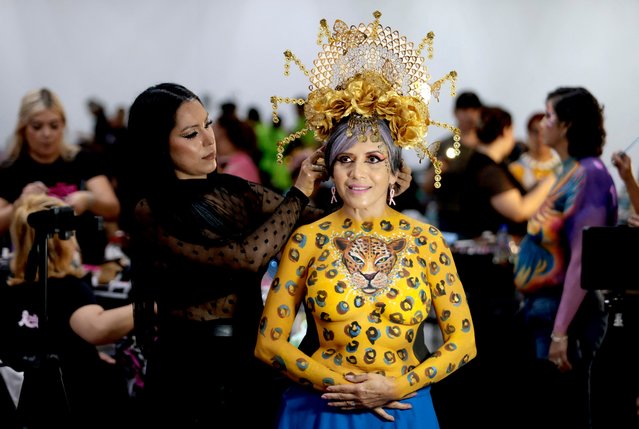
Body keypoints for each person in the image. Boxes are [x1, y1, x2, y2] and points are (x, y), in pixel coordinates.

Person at [122, 82, 414, 428]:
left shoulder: (233, 190)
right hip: (193, 367)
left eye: (208, 125)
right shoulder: (151, 209)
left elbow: (317, 223)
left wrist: (372, 184)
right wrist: (300, 190)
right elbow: (246, 259)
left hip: (249, 356)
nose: (208, 140)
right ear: (158, 144)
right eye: (190, 134)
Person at [255, 11, 476, 428]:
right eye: (345, 160)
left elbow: (464, 341)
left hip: (402, 407)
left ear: (395, 172)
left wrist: (398, 386)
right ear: (329, 170)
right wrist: (341, 386)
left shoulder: (425, 239)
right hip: (323, 406)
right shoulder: (308, 240)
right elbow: (269, 344)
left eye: (374, 159)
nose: (359, 174)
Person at [513, 87, 618, 429]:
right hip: (544, 308)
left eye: (551, 116)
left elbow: (584, 260)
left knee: (564, 416)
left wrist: (560, 332)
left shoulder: (590, 175)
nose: (544, 123)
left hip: (565, 314)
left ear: (568, 125)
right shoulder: (569, 170)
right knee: (550, 411)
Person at [0, 194, 134, 429]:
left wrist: (82, 353)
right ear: (64, 240)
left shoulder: (10, 288)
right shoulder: (69, 289)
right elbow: (97, 328)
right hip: (68, 405)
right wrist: (154, 306)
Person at [0, 88, 121, 266]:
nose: (47, 134)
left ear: (63, 125)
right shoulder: (11, 170)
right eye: (37, 126)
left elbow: (113, 208)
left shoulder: (83, 160)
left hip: (82, 265)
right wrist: (20, 204)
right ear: (23, 128)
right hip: (29, 268)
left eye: (54, 126)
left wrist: (89, 200)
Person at [458, 106, 556, 241]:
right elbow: (519, 211)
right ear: (505, 131)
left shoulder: (490, 164)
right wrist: (550, 180)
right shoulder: (488, 169)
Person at [509, 112, 561, 191]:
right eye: (535, 132)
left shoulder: (564, 166)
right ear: (528, 134)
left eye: (544, 131)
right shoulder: (515, 169)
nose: (540, 138)